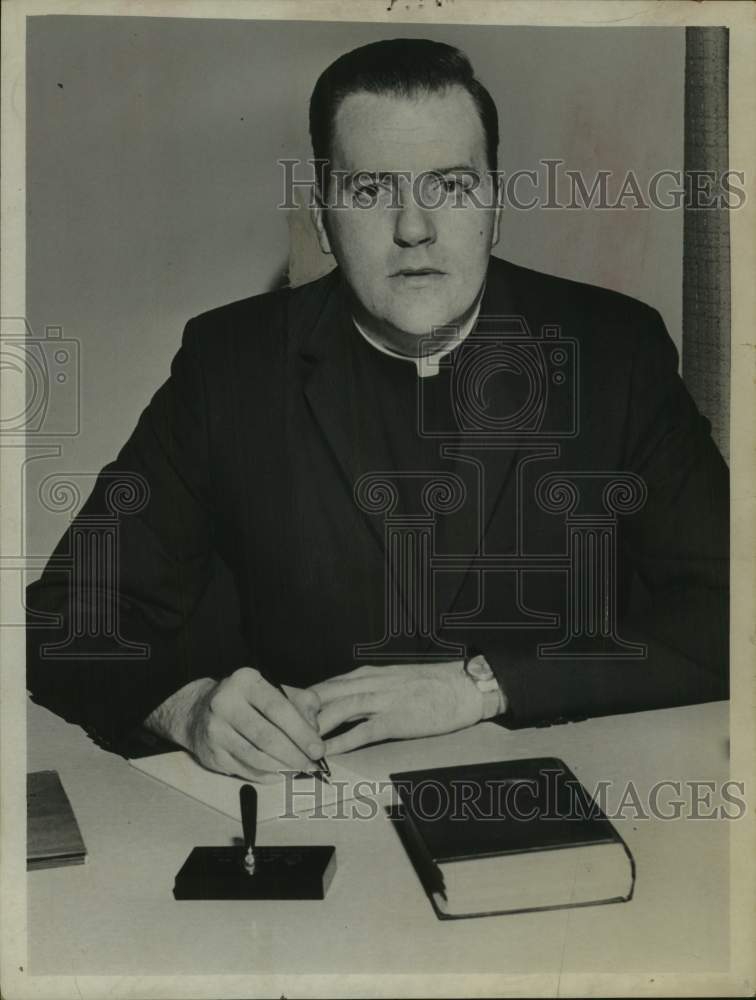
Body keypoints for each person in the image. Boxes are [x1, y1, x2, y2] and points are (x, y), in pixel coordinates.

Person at [26, 38, 728, 782]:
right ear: (324, 220)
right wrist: (184, 707)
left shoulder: (614, 350)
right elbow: (65, 618)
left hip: (563, 786)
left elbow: (732, 609)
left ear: (496, 208)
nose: (414, 229)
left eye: (452, 187)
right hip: (315, 815)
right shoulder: (227, 364)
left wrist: (483, 685)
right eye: (369, 192)